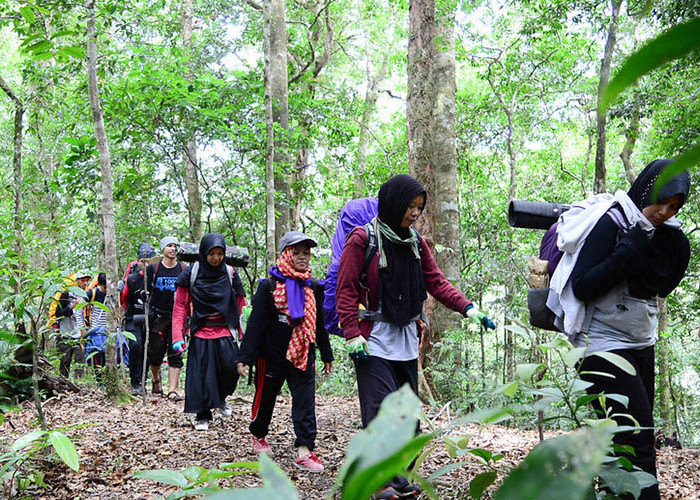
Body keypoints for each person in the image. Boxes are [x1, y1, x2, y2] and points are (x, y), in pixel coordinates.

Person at [335, 174, 496, 499]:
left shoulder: (415, 243)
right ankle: (379, 484)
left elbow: (436, 282)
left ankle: (401, 480)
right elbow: (345, 288)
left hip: (406, 342)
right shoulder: (361, 239)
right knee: (381, 414)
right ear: (393, 203)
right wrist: (351, 332)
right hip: (373, 342)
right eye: (410, 206)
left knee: (408, 419)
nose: (414, 213)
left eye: (419, 207)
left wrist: (468, 308)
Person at [569, 159, 690, 500]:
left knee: (620, 441)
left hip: (641, 341)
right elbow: (581, 286)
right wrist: (630, 248)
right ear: (647, 189)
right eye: (662, 201)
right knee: (636, 441)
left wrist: (673, 248)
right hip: (601, 343)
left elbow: (661, 286)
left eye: (674, 207)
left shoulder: (663, 235)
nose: (665, 211)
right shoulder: (613, 223)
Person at [237, 230, 334, 473]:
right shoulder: (268, 286)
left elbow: (319, 323)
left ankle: (304, 449)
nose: (303, 257)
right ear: (286, 254)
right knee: (266, 396)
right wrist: (245, 358)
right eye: (297, 252)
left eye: (306, 253)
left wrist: (326, 353)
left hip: (303, 353)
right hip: (272, 354)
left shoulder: (312, 286)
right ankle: (258, 434)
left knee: (305, 400)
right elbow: (256, 324)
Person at [171, 233, 246, 430]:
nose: (215, 258)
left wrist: (243, 331)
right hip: (200, 331)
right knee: (200, 376)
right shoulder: (192, 273)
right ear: (204, 253)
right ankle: (202, 415)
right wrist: (177, 336)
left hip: (224, 330)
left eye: (220, 253)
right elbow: (179, 306)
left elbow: (240, 304)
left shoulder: (230, 273)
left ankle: (221, 398)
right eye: (211, 253)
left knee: (231, 371)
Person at [145, 237, 186, 399]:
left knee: (176, 353)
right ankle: (156, 381)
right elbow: (145, 290)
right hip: (158, 317)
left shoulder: (184, 269)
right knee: (155, 353)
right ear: (162, 249)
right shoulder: (153, 269)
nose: (173, 249)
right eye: (169, 245)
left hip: (178, 318)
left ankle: (172, 390)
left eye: (175, 246)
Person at [121, 243, 156, 395]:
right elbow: (124, 299)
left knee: (148, 350)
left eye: (149, 261)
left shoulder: (156, 279)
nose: (146, 264)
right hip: (133, 317)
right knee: (136, 347)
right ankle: (135, 382)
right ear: (138, 262)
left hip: (151, 318)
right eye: (143, 261)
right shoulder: (132, 279)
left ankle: (144, 381)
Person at [54, 271, 92, 378]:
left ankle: (80, 384)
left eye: (87, 281)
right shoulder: (66, 294)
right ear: (77, 281)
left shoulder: (85, 296)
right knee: (65, 361)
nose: (85, 283)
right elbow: (58, 313)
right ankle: (63, 383)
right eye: (83, 280)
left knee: (80, 361)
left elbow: (84, 314)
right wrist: (71, 306)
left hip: (79, 335)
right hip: (65, 333)